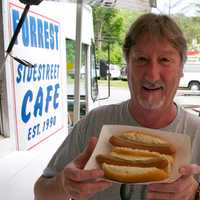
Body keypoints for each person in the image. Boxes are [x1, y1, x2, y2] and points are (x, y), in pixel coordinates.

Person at [34, 13, 200, 200]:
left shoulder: (197, 132)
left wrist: (196, 193)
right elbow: (41, 192)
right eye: (141, 59)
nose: (152, 75)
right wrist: (64, 183)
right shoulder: (94, 122)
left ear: (181, 69)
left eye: (165, 60)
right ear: (127, 67)